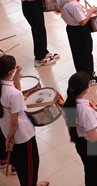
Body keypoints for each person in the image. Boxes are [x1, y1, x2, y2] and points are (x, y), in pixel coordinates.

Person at [0, 55, 49, 186]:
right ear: (10, 71)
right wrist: (9, 139)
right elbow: (15, 121)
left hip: (7, 130)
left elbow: (13, 100)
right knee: (29, 168)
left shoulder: (6, 89)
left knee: (21, 165)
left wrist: (16, 80)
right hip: (22, 135)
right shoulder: (13, 94)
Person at [55, 0, 97, 86]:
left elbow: (69, 5)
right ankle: (90, 77)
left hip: (71, 29)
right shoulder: (74, 5)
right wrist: (91, 11)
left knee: (77, 54)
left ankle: (81, 74)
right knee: (86, 53)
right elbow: (82, 22)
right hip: (80, 31)